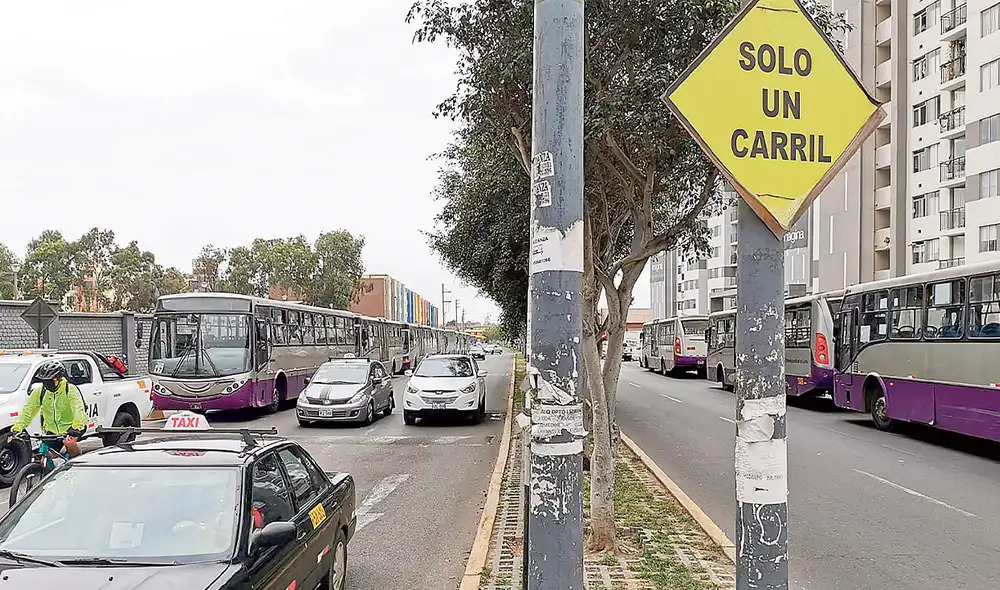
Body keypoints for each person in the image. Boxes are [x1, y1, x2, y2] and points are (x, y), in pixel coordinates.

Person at [7, 361, 88, 458]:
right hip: (52, 430)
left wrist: (75, 428)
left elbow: (78, 410)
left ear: (59, 379)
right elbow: (28, 410)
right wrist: (18, 428)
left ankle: (76, 463)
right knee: (45, 457)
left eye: (50, 381)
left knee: (69, 443)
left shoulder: (70, 389)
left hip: (72, 428)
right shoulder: (40, 392)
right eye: (44, 382)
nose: (47, 384)